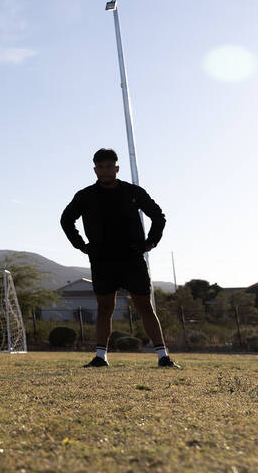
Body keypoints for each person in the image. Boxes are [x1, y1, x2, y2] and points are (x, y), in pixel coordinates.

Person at [60, 148, 180, 369]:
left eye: (109, 166)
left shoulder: (132, 192)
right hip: (102, 260)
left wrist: (150, 243)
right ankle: (100, 357)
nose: (105, 171)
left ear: (117, 167)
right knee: (105, 308)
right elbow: (66, 220)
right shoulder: (85, 196)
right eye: (101, 167)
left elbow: (158, 216)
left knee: (145, 306)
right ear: (95, 169)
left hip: (131, 258)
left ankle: (163, 356)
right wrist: (81, 246)